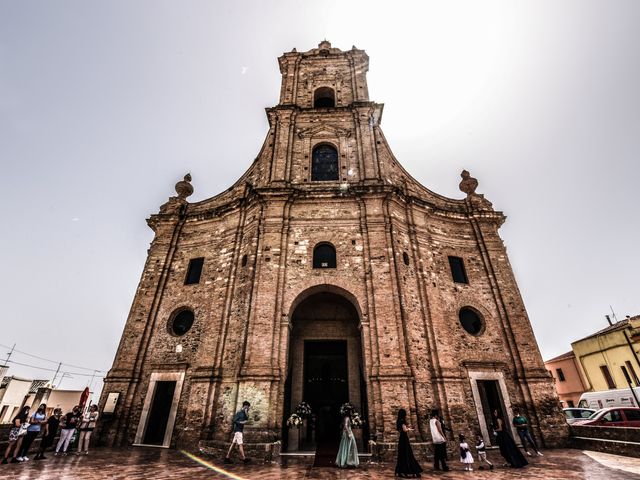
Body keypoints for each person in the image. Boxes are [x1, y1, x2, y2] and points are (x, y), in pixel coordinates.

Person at [394, 408, 423, 478]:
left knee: (402, 455)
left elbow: (400, 430)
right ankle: (414, 471)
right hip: (404, 439)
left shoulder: (398, 421)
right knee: (408, 454)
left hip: (401, 439)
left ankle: (400, 471)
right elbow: (404, 430)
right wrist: (409, 429)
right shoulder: (402, 421)